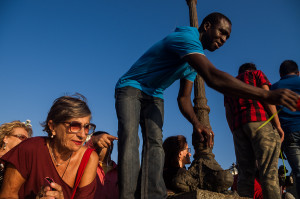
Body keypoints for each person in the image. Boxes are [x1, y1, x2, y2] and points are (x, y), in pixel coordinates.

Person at [115, 11, 299, 198]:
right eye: (222, 32)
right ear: (207, 26)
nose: (224, 39)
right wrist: (266, 95)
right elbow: (212, 77)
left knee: (154, 143)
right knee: (130, 138)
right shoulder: (187, 38)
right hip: (131, 87)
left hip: (155, 94)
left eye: (227, 36)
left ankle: (153, 195)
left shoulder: (193, 59)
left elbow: (183, 98)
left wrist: (197, 123)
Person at [0, 94, 99, 198]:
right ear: (52, 126)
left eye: (87, 127)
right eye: (74, 126)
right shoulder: (29, 149)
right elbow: (7, 195)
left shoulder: (89, 159)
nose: (82, 135)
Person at [224, 63, 284, 199]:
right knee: (269, 171)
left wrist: (235, 131)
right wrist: (278, 125)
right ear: (252, 69)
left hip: (239, 127)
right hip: (260, 122)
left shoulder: (229, 85)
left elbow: (228, 112)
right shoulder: (256, 74)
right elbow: (266, 97)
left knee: (244, 175)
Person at [271, 60, 300, 199]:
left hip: (289, 133)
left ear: (281, 74)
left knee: (298, 172)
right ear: (298, 73)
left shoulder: (274, 87)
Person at [0, 120, 33, 188]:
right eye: (22, 137)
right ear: (6, 138)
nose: (25, 142)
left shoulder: (21, 166)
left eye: (27, 140)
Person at [87, 131, 119, 199]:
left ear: (111, 145)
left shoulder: (120, 171)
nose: (99, 146)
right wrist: (93, 140)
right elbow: (82, 153)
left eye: (105, 142)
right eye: (96, 144)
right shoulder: (87, 166)